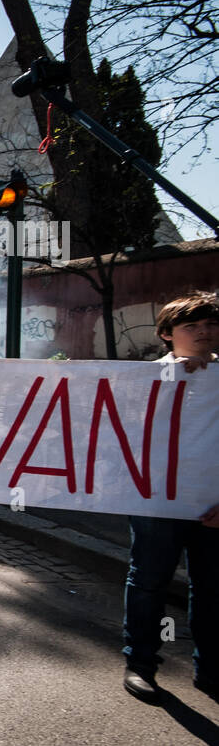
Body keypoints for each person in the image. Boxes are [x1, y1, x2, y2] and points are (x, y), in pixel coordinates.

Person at [122, 291, 219, 704]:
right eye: (191, 326)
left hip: (212, 506)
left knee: (213, 588)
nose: (203, 332)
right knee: (148, 582)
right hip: (156, 502)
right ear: (166, 334)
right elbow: (118, 430)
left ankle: (210, 670)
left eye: (211, 325)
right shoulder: (144, 379)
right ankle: (141, 664)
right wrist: (171, 379)